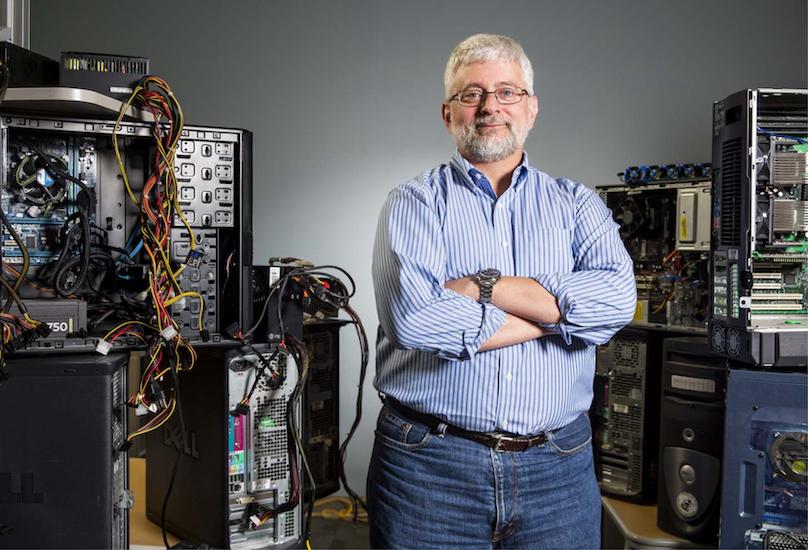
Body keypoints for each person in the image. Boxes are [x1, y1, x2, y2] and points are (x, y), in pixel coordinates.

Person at [369, 33, 636, 549]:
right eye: (471, 94)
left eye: (507, 92)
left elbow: (616, 301)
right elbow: (415, 320)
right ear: (448, 114)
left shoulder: (578, 204)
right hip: (428, 468)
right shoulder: (413, 203)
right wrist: (555, 316)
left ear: (531, 109)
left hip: (557, 468)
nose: (490, 107)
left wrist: (479, 286)